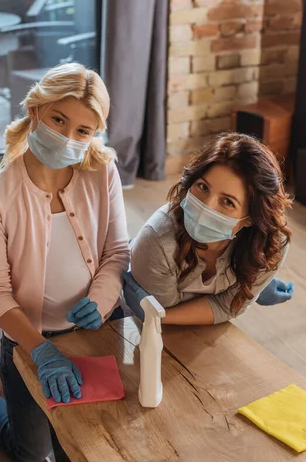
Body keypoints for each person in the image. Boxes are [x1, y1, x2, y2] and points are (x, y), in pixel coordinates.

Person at [0, 63, 130, 462]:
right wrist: (40, 349)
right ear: (35, 111)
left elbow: (118, 254)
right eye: (58, 119)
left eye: (82, 131)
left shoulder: (102, 173)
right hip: (30, 340)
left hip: (96, 328)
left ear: (94, 134)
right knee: (30, 452)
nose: (67, 137)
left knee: (107, 427)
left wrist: (100, 301)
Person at [124, 133, 293, 325]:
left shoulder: (271, 242)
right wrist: (240, 292)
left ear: (251, 218)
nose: (207, 206)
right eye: (203, 187)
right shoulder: (158, 241)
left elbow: (226, 307)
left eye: (228, 202)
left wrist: (247, 288)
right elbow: (221, 306)